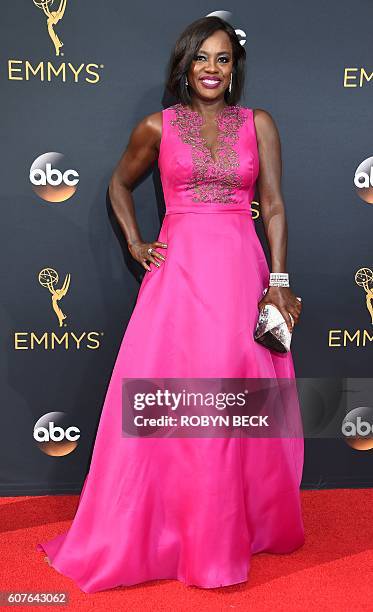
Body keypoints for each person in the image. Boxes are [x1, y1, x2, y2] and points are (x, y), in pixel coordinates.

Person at [36, 15, 304, 593]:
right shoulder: (157, 127)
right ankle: (178, 532)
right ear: (184, 65)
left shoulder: (258, 125)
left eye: (223, 59)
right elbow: (117, 184)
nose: (212, 69)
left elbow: (274, 206)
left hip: (241, 273)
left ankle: (239, 527)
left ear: (236, 69)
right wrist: (136, 243)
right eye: (201, 58)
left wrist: (278, 280)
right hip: (180, 278)